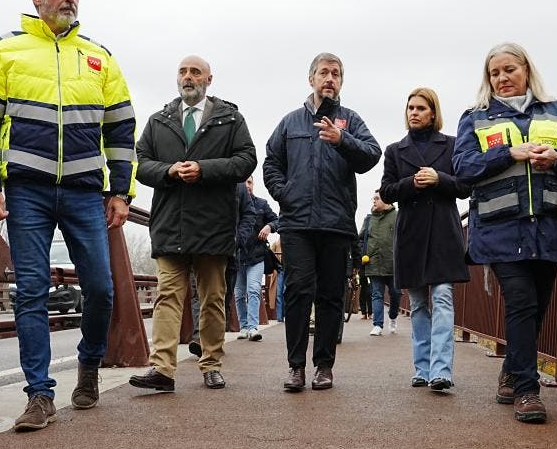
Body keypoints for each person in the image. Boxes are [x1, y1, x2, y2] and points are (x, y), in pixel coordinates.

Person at [0, 0, 135, 432]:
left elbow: (120, 130)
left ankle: (89, 364)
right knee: (32, 291)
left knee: (100, 289)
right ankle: (39, 393)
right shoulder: (4, 52)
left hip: (83, 192)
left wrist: (121, 190)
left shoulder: (99, 57)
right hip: (28, 191)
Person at [452, 42, 557, 423]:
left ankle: (512, 371)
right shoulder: (475, 118)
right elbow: (463, 170)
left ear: (526, 70)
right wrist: (508, 154)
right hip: (500, 231)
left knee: (537, 306)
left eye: (509, 69)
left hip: (549, 228)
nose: (502, 78)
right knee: (521, 302)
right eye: (495, 73)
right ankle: (528, 391)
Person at [129, 55, 257, 391]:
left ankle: (211, 363)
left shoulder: (230, 119)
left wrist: (204, 169)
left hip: (213, 223)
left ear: (209, 80)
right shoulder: (160, 120)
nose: (188, 77)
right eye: (183, 72)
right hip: (171, 221)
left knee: (213, 297)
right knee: (167, 295)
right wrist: (168, 171)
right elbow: (140, 163)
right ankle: (163, 369)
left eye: (195, 72)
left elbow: (246, 160)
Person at [264, 52, 381, 391]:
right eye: (324, 73)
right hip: (297, 223)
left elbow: (372, 155)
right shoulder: (290, 122)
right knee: (299, 291)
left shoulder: (351, 120)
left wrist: (342, 140)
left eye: (336, 74)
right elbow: (271, 162)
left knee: (331, 295)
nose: (330, 79)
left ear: (341, 82)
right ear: (311, 79)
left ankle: (324, 366)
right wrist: (285, 194)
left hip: (336, 223)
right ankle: (295, 367)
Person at [380, 88, 472, 391]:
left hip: (444, 232)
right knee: (419, 303)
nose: (414, 112)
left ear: (433, 113)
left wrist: (439, 179)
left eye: (420, 108)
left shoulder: (452, 146)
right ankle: (421, 367)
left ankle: (441, 370)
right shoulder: (394, 150)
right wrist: (413, 183)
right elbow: (388, 192)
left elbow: (464, 187)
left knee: (443, 297)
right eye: (410, 108)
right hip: (412, 234)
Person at [234, 176, 278, 341]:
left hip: (257, 256)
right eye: (243, 182)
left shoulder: (261, 204)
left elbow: (277, 220)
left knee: (253, 290)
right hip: (237, 256)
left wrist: (269, 226)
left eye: (250, 182)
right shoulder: (233, 203)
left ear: (254, 184)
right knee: (238, 294)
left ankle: (253, 327)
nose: (247, 185)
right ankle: (243, 326)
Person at [359, 191, 400, 336]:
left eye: (377, 198)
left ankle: (393, 316)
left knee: (396, 293)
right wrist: (363, 254)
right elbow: (360, 238)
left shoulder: (397, 216)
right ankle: (378, 325)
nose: (374, 201)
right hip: (373, 263)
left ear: (387, 200)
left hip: (393, 263)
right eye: (373, 199)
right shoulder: (369, 219)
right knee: (376, 294)